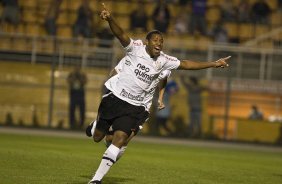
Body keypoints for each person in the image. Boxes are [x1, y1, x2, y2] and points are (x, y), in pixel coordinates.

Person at [87, 3, 231, 184]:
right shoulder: (135, 49)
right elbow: (121, 34)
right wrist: (110, 18)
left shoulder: (164, 60)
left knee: (121, 139)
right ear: (147, 41)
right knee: (97, 138)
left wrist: (214, 63)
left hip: (136, 106)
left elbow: (185, 64)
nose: (159, 43)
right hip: (115, 98)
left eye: (161, 41)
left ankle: (96, 180)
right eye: (155, 40)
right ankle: (96, 126)